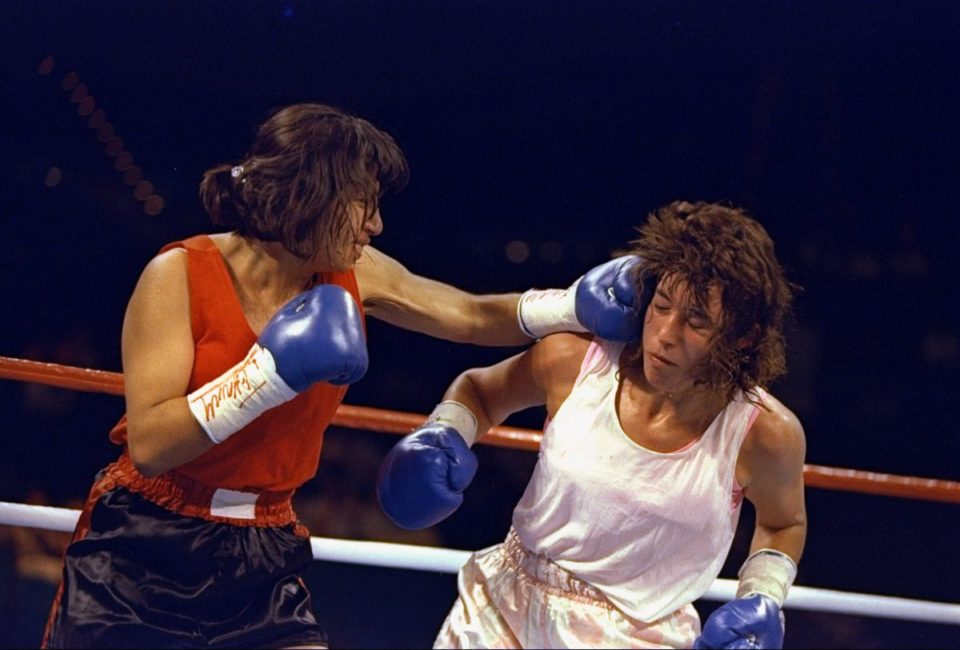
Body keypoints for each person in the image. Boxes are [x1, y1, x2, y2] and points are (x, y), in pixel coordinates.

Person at [41, 102, 648, 649]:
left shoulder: (356, 273)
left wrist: (568, 305)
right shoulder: (177, 274)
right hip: (144, 545)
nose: (376, 225)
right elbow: (149, 446)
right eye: (366, 203)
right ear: (314, 195)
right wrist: (268, 375)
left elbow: (465, 314)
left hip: (263, 546)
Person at [377, 201, 807, 649]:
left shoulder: (763, 432)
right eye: (662, 305)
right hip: (499, 611)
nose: (666, 332)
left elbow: (783, 523)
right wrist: (445, 431)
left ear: (742, 336)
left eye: (696, 321)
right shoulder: (578, 361)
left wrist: (762, 596)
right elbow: (480, 392)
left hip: (637, 636)